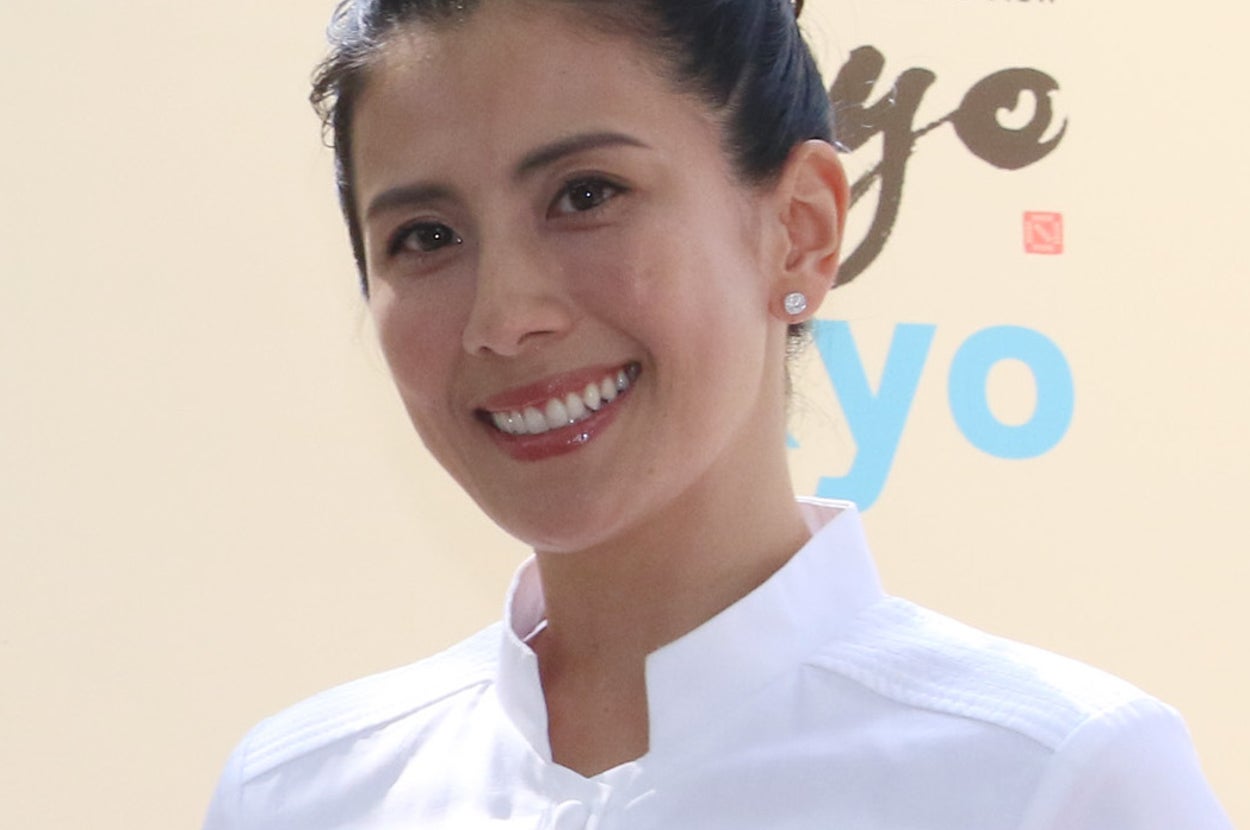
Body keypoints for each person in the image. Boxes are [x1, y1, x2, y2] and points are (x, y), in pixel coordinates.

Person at [203, 0, 1232, 827]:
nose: (504, 317)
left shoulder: (1052, 778)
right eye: (425, 236)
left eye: (585, 194)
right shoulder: (298, 795)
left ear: (800, 230)